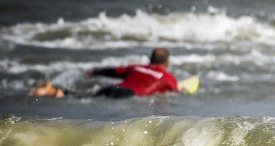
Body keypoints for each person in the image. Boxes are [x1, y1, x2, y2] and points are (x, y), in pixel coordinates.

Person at [29, 48, 179, 99]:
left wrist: (94, 72)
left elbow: (112, 71)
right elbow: (175, 92)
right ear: (167, 62)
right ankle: (56, 92)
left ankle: (53, 90)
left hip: (111, 87)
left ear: (150, 59)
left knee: (83, 96)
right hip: (126, 95)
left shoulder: (137, 67)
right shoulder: (168, 78)